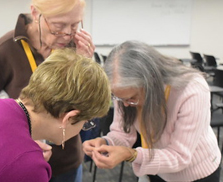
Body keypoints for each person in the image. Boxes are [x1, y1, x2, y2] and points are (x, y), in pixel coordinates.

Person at [0, 0, 95, 181]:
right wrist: (21, 139)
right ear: (35, 13)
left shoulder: (76, 48)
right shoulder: (6, 48)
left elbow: (87, 107)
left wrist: (86, 65)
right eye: (59, 25)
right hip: (19, 159)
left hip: (66, 158)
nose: (68, 34)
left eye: (75, 25)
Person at [83, 40, 221, 182]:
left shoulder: (192, 89)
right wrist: (106, 142)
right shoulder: (124, 89)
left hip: (195, 173)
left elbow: (180, 156)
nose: (125, 104)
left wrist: (131, 154)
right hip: (156, 167)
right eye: (119, 98)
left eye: (132, 98)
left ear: (151, 83)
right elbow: (123, 134)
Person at [0, 48, 111, 182]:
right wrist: (26, 161)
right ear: (69, 118)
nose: (82, 128)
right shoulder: (30, 168)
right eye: (86, 123)